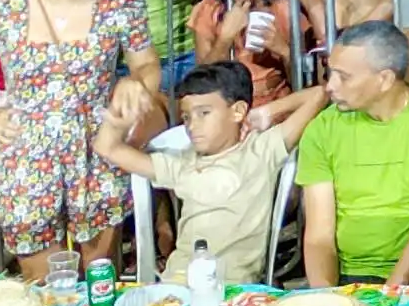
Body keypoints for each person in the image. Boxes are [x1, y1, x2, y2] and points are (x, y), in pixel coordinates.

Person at [95, 59, 326, 287]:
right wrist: (118, 112)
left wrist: (265, 112)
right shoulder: (182, 162)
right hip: (177, 286)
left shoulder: (261, 150)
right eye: (186, 117)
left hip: (234, 290)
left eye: (204, 113)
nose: (192, 126)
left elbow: (319, 94)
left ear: (237, 111)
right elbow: (107, 147)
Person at [294, 22, 409, 287]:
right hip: (348, 277)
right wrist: (328, 300)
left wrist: (388, 295)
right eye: (330, 73)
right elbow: (319, 237)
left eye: (344, 77)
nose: (330, 86)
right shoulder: (322, 128)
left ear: (385, 79)